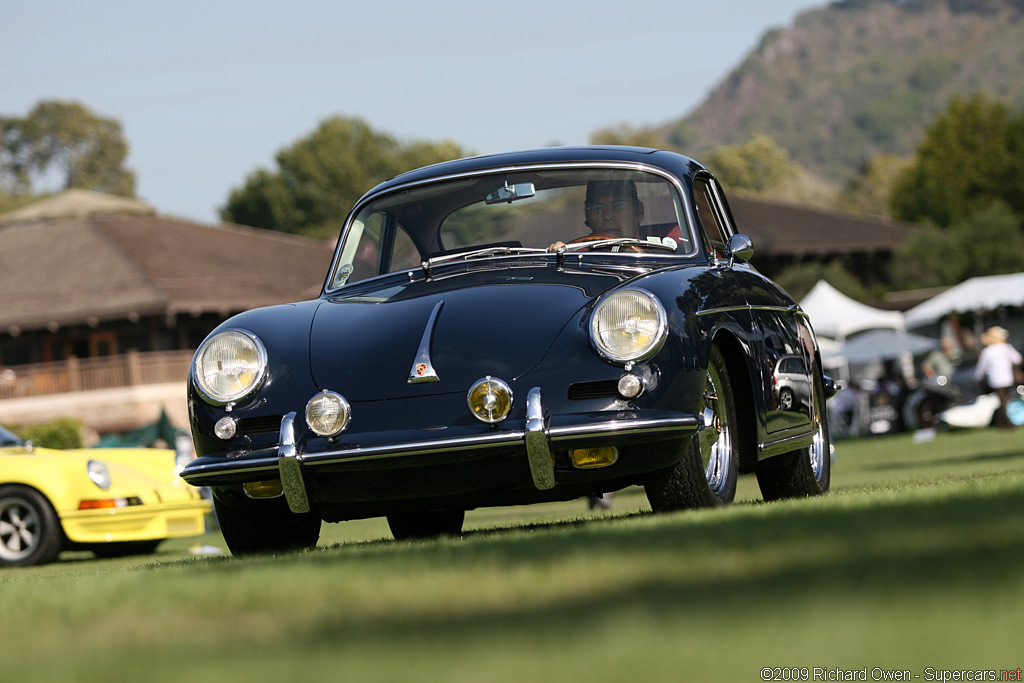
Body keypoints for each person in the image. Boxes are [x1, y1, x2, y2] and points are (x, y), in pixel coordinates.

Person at [549, 180, 644, 252]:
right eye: (598, 208)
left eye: (618, 206)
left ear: (639, 211)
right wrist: (558, 254)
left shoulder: (657, 254)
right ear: (587, 215)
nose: (607, 216)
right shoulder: (576, 257)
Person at [973, 326, 1023, 429]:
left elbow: (981, 369)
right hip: (1008, 379)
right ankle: (1006, 422)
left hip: (995, 381)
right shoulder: (1006, 347)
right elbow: (1017, 359)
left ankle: (1004, 423)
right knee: (1006, 401)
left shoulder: (987, 351)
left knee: (1002, 401)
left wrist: (977, 379)